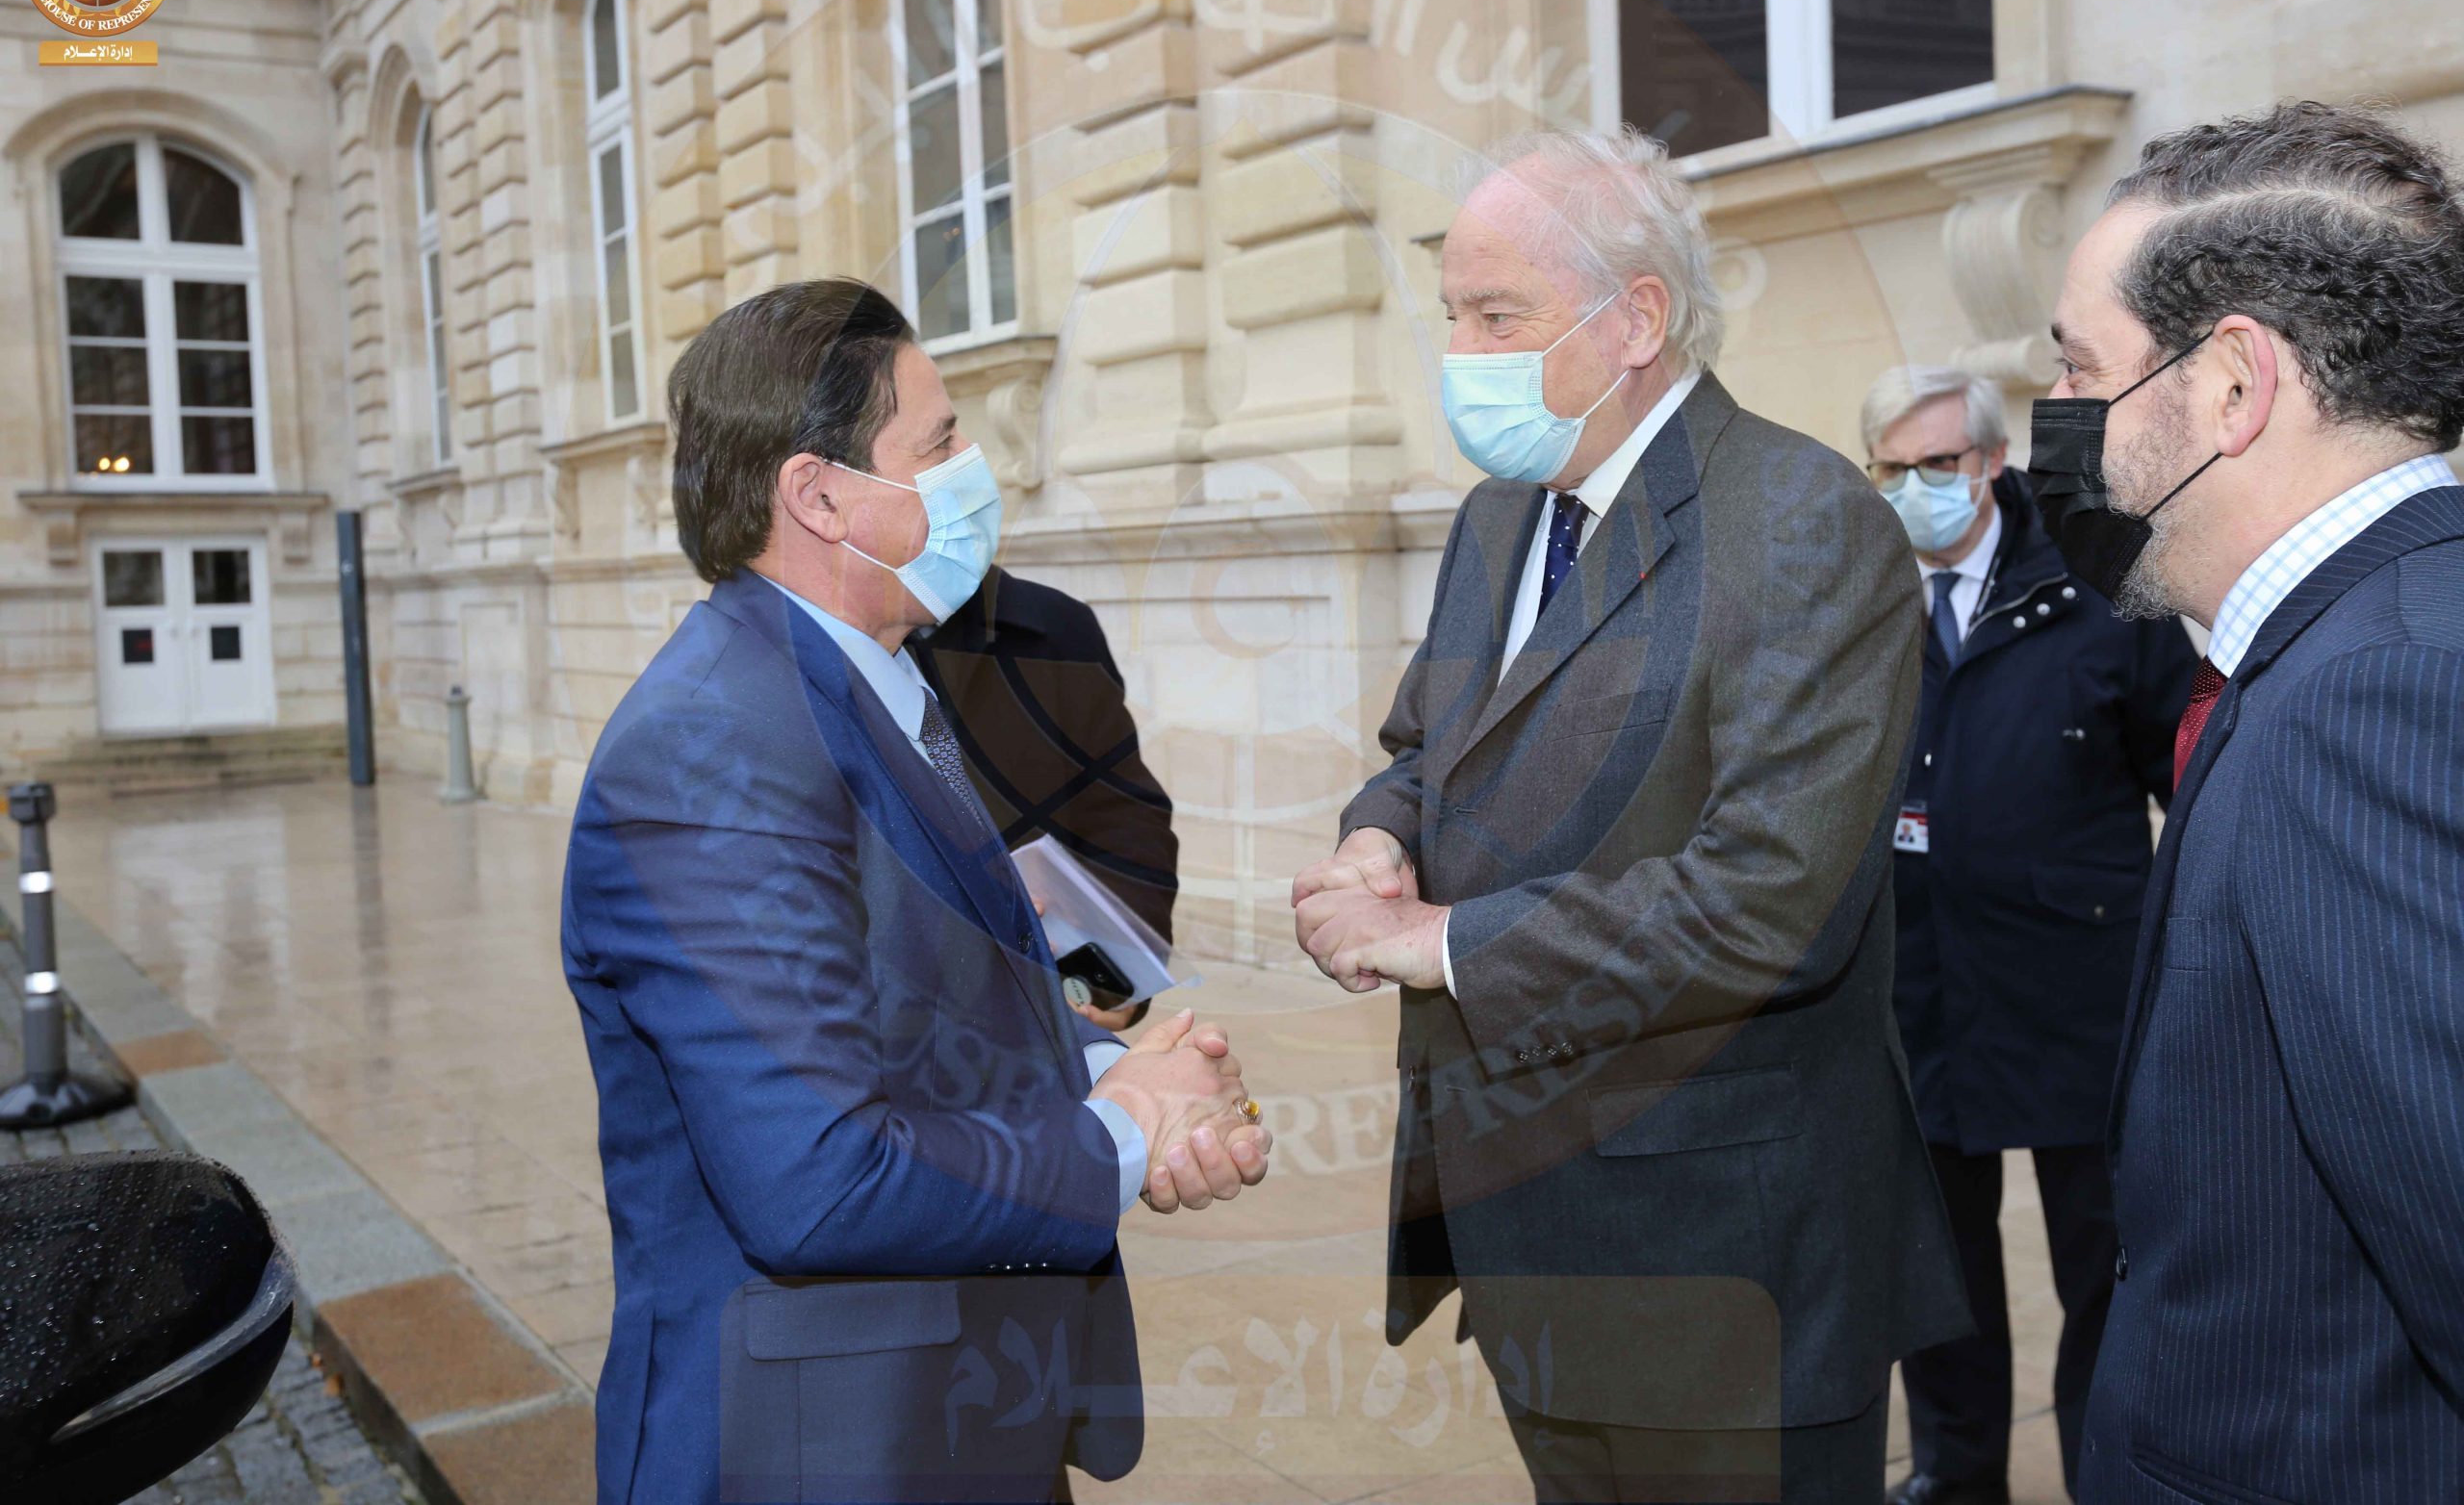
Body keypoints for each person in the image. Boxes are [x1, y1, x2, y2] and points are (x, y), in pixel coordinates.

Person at [1292, 127, 1968, 1504]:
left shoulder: (1804, 518)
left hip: (1722, 1266)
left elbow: (1771, 902)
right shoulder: (1500, 517)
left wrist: (1442, 940)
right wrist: (1380, 835)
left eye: (1498, 317)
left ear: (1637, 320)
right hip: (1528, 1236)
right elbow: (1431, 744)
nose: (1460, 355)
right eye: (1452, 315)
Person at [560, 279, 1270, 1505]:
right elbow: (816, 1180)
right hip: (818, 1451)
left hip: (955, 1409)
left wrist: (1125, 1068)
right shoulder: (709, 749)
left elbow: (931, 999)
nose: (974, 470)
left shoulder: (863, 677)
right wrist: (1120, 1137)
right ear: (818, 495)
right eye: (936, 444)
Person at [2031, 101, 2464, 1500]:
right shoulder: (2369, 635)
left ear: (2232, 385)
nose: (2060, 417)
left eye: (2081, 367)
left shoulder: (2367, 699)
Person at [1861, 366, 2195, 1505]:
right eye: (1890, 468)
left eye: (1936, 464)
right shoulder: (1857, 597)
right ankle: (1953, 1477)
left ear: (1993, 461)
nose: (1913, 488)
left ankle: (2107, 1472)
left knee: (2104, 1266)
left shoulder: (2094, 586)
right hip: (1919, 989)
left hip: (2076, 991)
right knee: (1937, 1269)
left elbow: (2185, 778)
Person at [912, 565, 1179, 1033]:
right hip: (873, 1024)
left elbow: (1118, 809)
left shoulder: (1050, 625)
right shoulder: (783, 641)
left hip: (1037, 1021)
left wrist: (1113, 972)